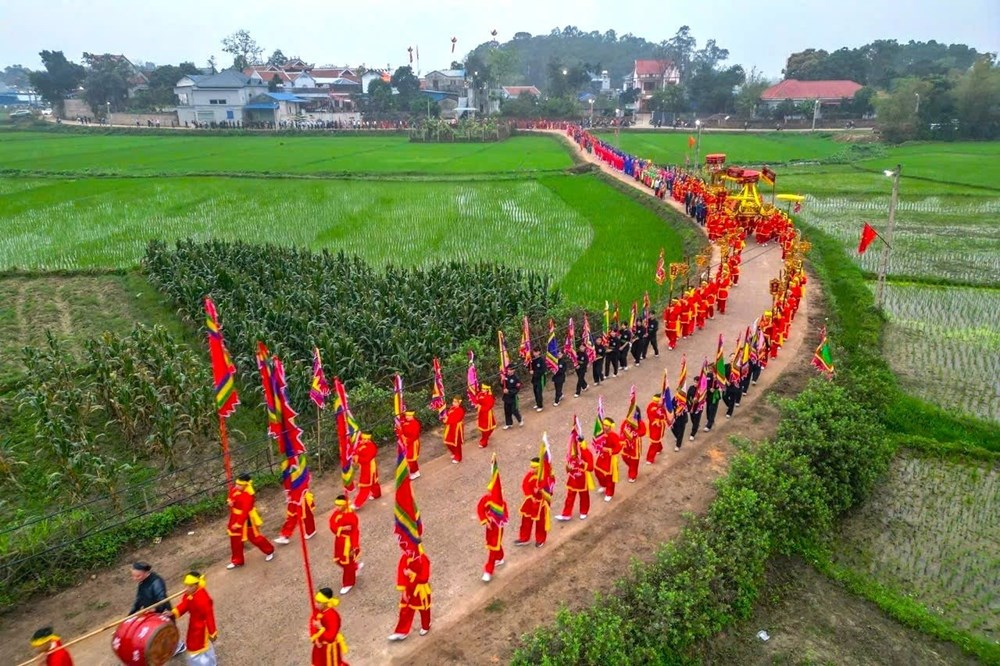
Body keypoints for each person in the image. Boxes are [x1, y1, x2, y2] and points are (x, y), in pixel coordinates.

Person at [226, 473, 275, 569]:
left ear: (246, 485)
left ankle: (269, 550)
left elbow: (245, 512)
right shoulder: (234, 489)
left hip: (246, 519)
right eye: (236, 484)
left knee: (254, 537)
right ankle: (237, 560)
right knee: (235, 540)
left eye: (239, 485)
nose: (236, 486)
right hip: (235, 517)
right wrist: (230, 502)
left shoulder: (249, 496)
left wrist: (238, 524)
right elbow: (230, 498)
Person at [171, 572, 218, 666]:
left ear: (197, 585)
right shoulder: (190, 594)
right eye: (186, 585)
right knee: (194, 644)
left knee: (201, 646)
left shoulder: (203, 599)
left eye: (190, 586)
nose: (186, 589)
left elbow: (209, 616)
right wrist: (173, 612)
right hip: (193, 624)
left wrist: (212, 632)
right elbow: (185, 605)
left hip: (202, 627)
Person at [388, 544, 432, 641]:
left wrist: (411, 574)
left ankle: (426, 625)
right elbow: (401, 575)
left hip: (420, 591)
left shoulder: (423, 559)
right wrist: (403, 590)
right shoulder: (405, 558)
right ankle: (401, 632)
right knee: (405, 610)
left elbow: (424, 578)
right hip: (409, 589)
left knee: (424, 610)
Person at [329, 495, 362, 594]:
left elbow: (355, 532)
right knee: (338, 560)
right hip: (339, 541)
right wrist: (341, 528)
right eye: (336, 505)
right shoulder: (337, 513)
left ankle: (348, 583)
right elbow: (332, 524)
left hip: (348, 543)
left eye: (339, 505)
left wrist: (354, 547)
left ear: (344, 505)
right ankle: (355, 567)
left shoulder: (351, 516)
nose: (336, 507)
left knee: (347, 564)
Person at [514, 457, 551, 547]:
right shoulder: (530, 475)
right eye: (532, 467)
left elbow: (548, 489)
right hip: (530, 501)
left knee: (540, 523)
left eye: (535, 467)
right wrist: (530, 495)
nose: (532, 469)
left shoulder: (545, 476)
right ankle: (524, 538)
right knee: (526, 520)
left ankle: (540, 539)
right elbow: (525, 484)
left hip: (541, 503)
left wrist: (540, 490)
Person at [556, 434, 594, 521]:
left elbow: (591, 467)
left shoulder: (586, 453)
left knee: (584, 496)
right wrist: (568, 468)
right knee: (569, 497)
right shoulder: (571, 455)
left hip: (582, 479)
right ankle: (566, 514)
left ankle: (584, 511)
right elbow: (568, 467)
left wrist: (583, 464)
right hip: (572, 480)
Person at [475, 484, 507, 582]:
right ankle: (500, 557)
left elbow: (505, 516)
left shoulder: (501, 503)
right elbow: (480, 508)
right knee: (492, 545)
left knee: (493, 547)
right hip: (489, 527)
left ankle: (488, 571)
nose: (489, 493)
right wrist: (485, 520)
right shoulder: (486, 499)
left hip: (497, 528)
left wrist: (496, 518)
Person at [311, 588, 349, 666]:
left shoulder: (333, 616)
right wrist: (316, 639)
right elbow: (312, 623)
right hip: (319, 648)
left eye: (319, 602)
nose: (316, 604)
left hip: (330, 649)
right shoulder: (317, 611)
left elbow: (331, 637)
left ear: (325, 603)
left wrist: (321, 628)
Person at [593, 418, 622, 501]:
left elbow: (618, 447)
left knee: (609, 476)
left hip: (610, 458)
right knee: (598, 471)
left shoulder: (614, 436)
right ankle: (603, 485)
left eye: (606, 425)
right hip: (602, 456)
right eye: (604, 425)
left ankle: (609, 493)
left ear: (611, 426)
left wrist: (609, 450)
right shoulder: (601, 434)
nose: (604, 427)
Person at [352, 433, 381, 508]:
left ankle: (357, 503)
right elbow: (356, 450)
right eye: (363, 439)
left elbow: (366, 459)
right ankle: (377, 494)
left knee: (365, 485)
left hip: (369, 467)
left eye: (366, 439)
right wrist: (355, 455)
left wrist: (357, 458)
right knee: (373, 482)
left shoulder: (371, 447)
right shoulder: (360, 443)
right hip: (364, 467)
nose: (364, 440)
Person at [620, 414, 646, 482]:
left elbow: (643, 432)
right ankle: (631, 467)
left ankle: (632, 475)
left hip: (635, 444)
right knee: (624, 456)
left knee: (634, 461)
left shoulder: (640, 423)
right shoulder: (626, 422)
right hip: (626, 443)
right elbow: (622, 429)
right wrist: (621, 438)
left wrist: (635, 434)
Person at [396, 411, 421, 479]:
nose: (407, 417)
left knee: (411, 459)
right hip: (406, 442)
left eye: (409, 416)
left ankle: (414, 472)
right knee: (409, 459)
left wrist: (406, 441)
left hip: (412, 443)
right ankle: (416, 471)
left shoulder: (415, 423)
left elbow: (415, 435)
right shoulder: (404, 421)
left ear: (412, 416)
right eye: (406, 415)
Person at [645, 394, 668, 464]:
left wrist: (660, 419)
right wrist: (655, 421)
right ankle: (659, 448)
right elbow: (649, 415)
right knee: (655, 440)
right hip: (653, 426)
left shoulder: (662, 408)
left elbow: (665, 416)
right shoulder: (651, 406)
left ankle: (650, 458)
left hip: (660, 427)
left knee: (655, 441)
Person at [442, 397, 466, 463]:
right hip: (450, 427)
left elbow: (455, 419)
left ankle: (458, 457)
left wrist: (447, 420)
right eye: (453, 401)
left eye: (455, 402)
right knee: (447, 441)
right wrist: (444, 416)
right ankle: (454, 453)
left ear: (459, 403)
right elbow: (448, 415)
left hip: (457, 428)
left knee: (456, 443)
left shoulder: (460, 410)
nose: (453, 403)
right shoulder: (452, 408)